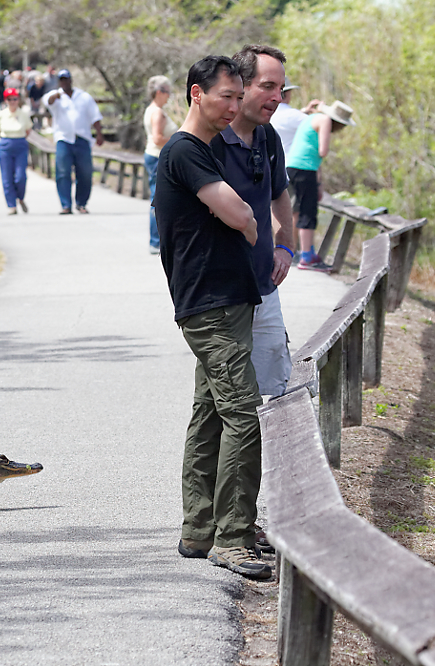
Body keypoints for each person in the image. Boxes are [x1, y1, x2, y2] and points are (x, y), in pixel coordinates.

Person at [153, 55, 271, 580]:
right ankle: (233, 538)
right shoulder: (184, 151)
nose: (235, 104)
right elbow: (238, 211)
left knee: (210, 413)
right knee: (243, 414)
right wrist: (248, 228)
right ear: (196, 93)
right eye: (226, 95)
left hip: (227, 301)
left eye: (238, 94)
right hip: (210, 305)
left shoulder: (208, 148)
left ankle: (199, 529)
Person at [210, 44, 295, 400]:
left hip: (264, 286)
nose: (277, 97)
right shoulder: (209, 142)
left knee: (278, 390)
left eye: (280, 88)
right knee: (231, 399)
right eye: (268, 86)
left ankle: (274, 458)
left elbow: (280, 195)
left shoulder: (268, 137)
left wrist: (286, 247)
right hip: (223, 294)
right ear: (241, 85)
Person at [285, 99, 356, 271]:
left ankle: (306, 252)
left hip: (293, 167)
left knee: (298, 209)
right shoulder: (324, 120)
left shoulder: (311, 118)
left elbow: (313, 156)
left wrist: (319, 183)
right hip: (304, 169)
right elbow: (322, 151)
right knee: (308, 212)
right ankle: (307, 256)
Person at [43, 69, 104, 215]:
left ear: (71, 80)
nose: (64, 82)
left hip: (82, 139)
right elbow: (47, 101)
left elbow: (95, 116)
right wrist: (56, 96)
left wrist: (100, 134)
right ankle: (65, 205)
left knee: (85, 173)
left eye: (66, 79)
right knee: (63, 172)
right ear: (59, 82)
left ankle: (81, 203)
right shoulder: (55, 96)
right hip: (64, 139)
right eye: (61, 80)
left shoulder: (84, 97)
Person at [144, 75, 178, 254]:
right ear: (159, 92)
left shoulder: (152, 109)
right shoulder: (157, 112)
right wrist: (178, 140)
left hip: (152, 155)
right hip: (157, 157)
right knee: (158, 200)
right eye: (167, 92)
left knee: (157, 198)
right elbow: (158, 138)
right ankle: (156, 240)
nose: (169, 96)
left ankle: (157, 240)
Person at [0, 88, 33, 215]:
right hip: (6, 144)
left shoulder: (23, 114)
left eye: (15, 99)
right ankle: (11, 205)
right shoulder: (2, 114)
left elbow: (28, 130)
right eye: (10, 99)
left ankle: (20, 197)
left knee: (20, 176)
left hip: (20, 143)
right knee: (7, 177)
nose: (12, 102)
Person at [270, 77, 321, 158]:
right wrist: (320, 112)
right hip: (290, 163)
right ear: (286, 94)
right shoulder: (292, 115)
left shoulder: (269, 113)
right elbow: (317, 123)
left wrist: (305, 110)